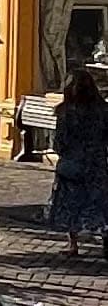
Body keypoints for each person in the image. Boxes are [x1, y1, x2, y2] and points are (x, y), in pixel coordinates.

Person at [51, 63, 108, 258]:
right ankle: (105, 238)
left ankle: (73, 243)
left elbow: (59, 141)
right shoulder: (103, 110)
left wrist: (61, 152)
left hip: (72, 164)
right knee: (100, 201)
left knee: (71, 203)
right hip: (96, 163)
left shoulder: (66, 112)